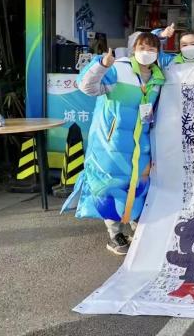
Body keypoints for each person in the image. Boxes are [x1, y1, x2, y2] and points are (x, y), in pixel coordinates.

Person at [61, 33, 165, 256]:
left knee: (138, 186)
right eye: (142, 47)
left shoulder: (158, 78)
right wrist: (102, 65)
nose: (147, 52)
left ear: (158, 53)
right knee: (110, 187)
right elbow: (87, 87)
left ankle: (138, 229)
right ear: (133, 49)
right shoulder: (119, 69)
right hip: (110, 144)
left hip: (141, 144)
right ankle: (115, 234)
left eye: (152, 48)